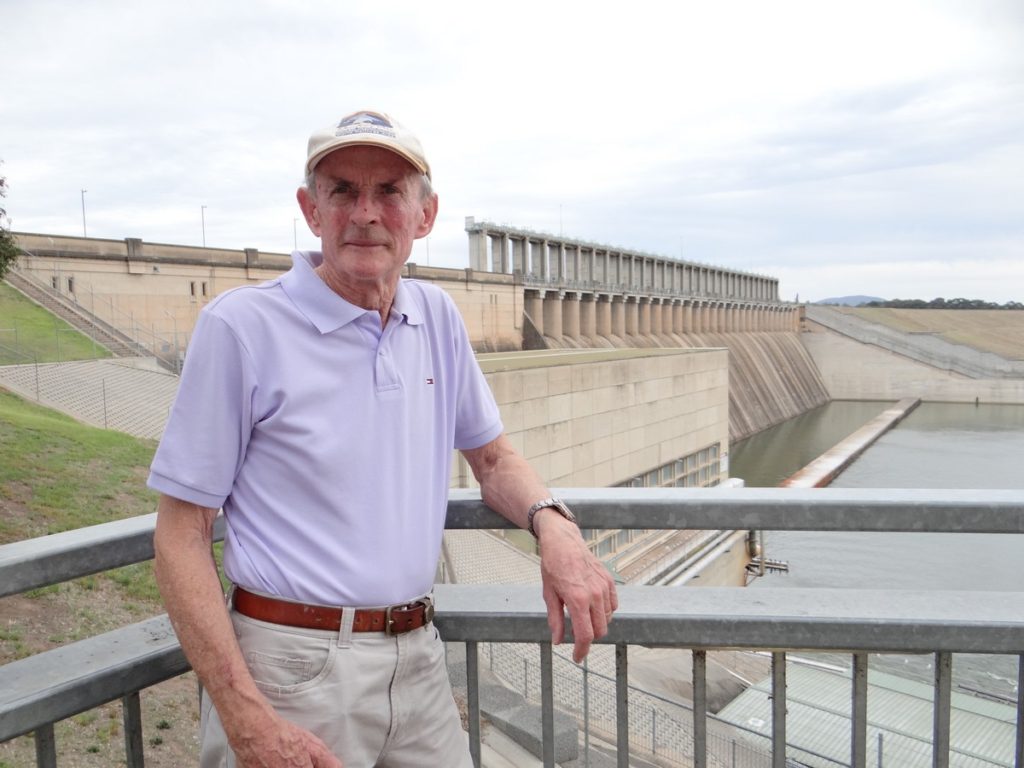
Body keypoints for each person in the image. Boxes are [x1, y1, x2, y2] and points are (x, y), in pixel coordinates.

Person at [149, 109, 618, 768]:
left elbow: (492, 458)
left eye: (389, 192)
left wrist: (553, 526)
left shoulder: (436, 316)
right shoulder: (242, 328)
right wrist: (244, 717)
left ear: (423, 217)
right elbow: (181, 533)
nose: (365, 212)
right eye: (342, 190)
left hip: (418, 659)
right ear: (311, 210)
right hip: (293, 671)